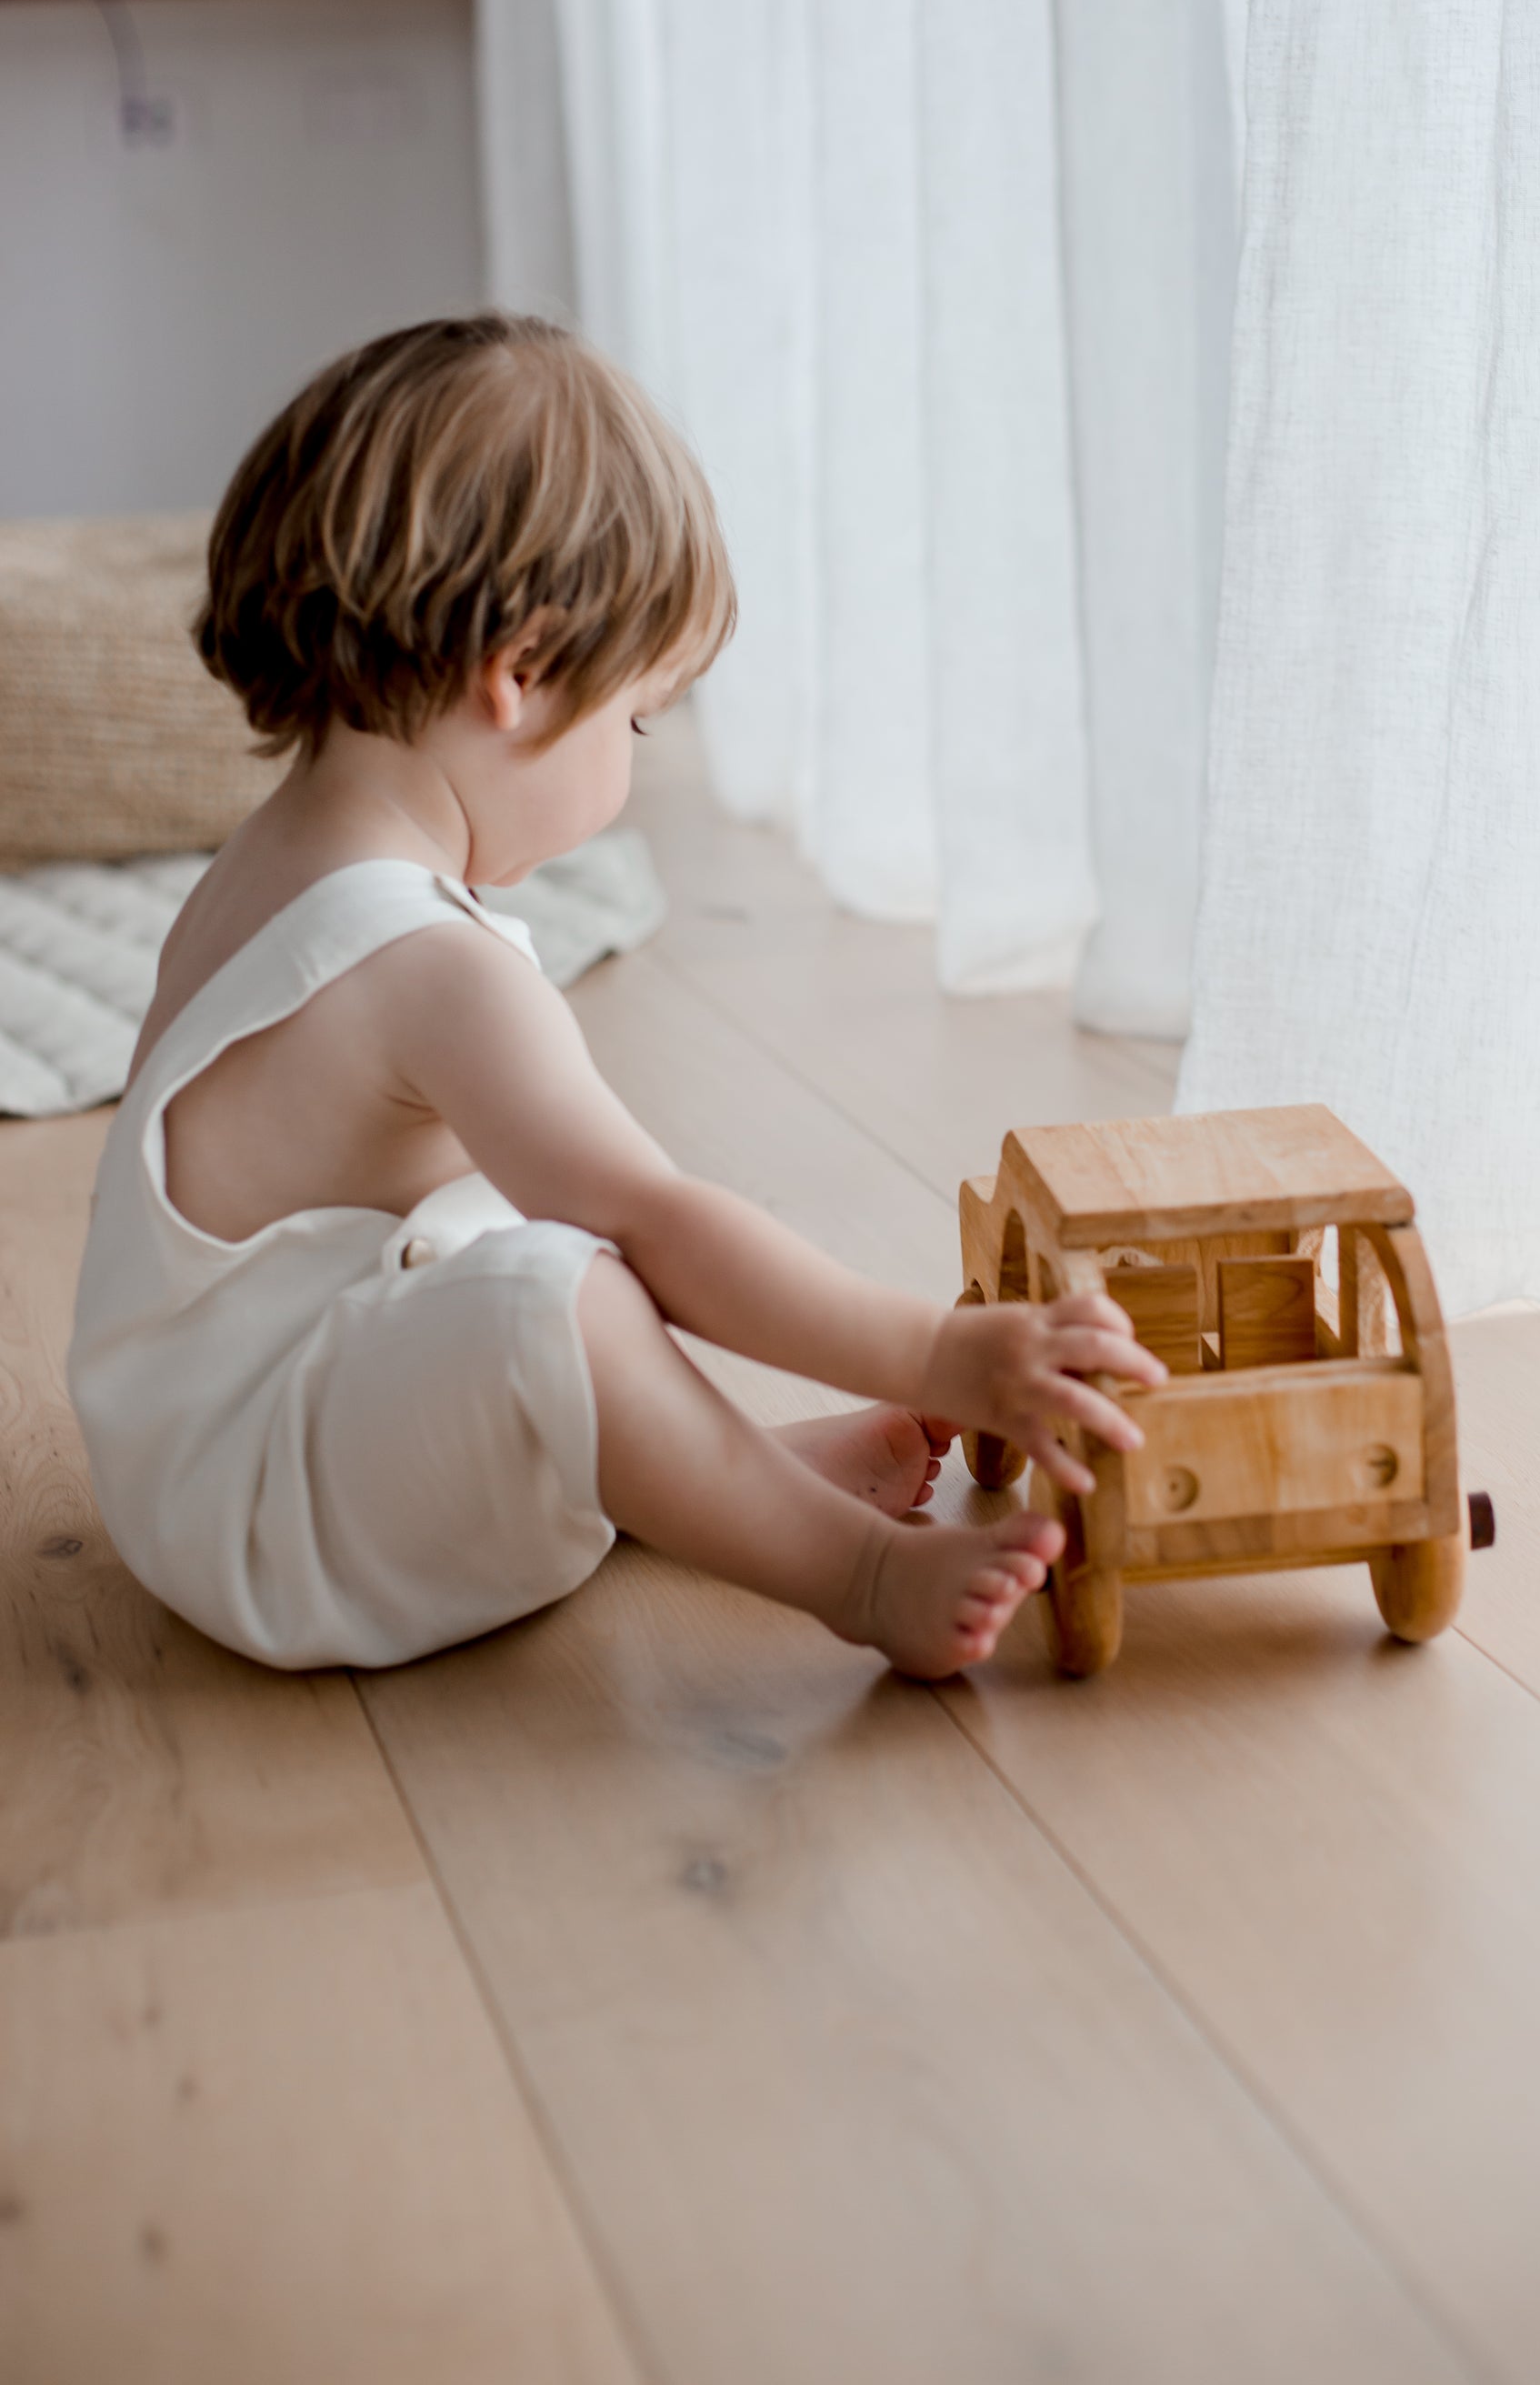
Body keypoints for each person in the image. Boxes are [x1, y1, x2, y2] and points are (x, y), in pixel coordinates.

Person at [68, 315, 1165, 1676]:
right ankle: (857, 1571)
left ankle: (714, 1477)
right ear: (521, 676)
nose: (636, 753)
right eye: (638, 715)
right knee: (563, 1291)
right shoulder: (432, 969)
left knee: (517, 1259)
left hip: (203, 1448)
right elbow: (657, 1230)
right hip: (269, 1527)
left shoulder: (267, 862)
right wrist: (938, 1354)